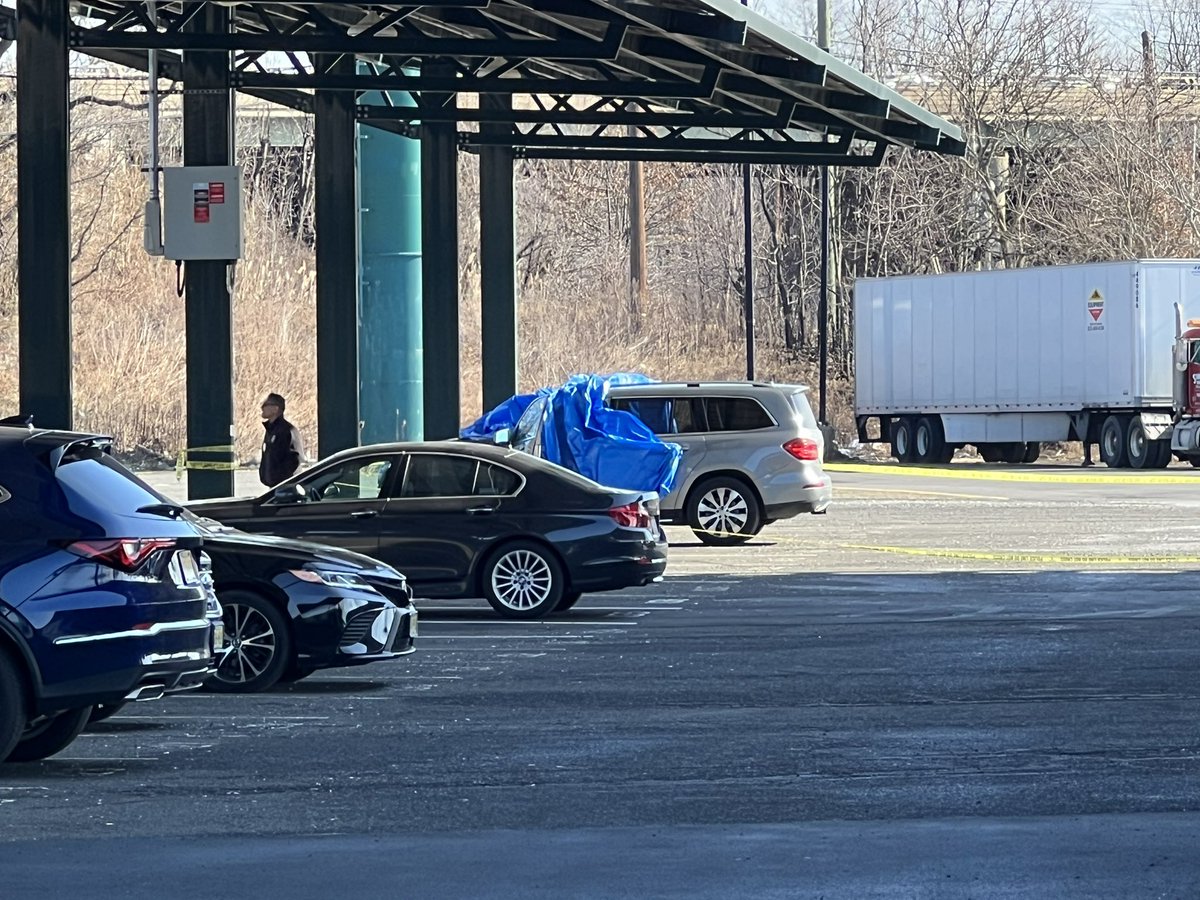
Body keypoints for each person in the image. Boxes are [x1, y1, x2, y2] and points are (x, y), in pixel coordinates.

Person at [259, 392, 304, 487]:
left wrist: (281, 480)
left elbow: (295, 459)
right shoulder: (271, 430)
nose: (262, 407)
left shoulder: (287, 430)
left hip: (286, 488)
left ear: (276, 409)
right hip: (274, 487)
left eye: (266, 405)